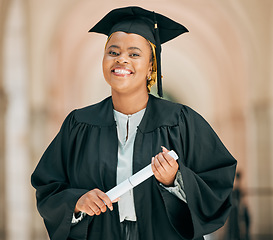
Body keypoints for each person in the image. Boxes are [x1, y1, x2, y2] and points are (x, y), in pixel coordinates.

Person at [31, 6, 237, 240]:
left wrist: (175, 180)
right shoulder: (78, 124)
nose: (121, 59)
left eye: (134, 54)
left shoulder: (181, 121)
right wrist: (77, 202)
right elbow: (47, 186)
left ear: (151, 66)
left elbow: (218, 180)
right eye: (113, 52)